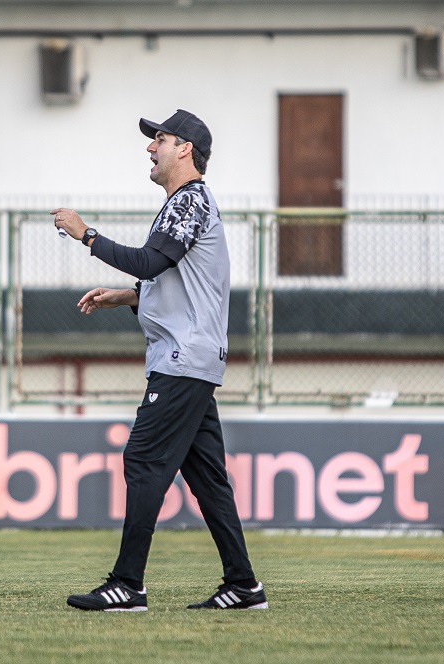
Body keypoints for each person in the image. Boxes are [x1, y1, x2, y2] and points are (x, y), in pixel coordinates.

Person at [54, 109, 267, 612]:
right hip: (191, 357)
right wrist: (129, 297)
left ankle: (128, 585)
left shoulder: (188, 200)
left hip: (182, 358)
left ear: (185, 149)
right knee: (208, 479)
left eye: (161, 139)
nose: (151, 148)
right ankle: (243, 585)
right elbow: (175, 278)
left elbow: (153, 261)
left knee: (143, 459)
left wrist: (88, 236)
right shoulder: (188, 203)